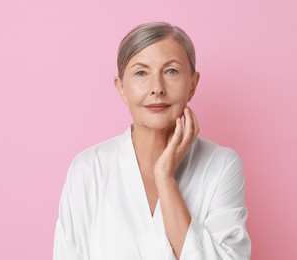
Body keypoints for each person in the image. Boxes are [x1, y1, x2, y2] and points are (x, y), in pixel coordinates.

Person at [53, 22, 251, 260]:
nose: (157, 88)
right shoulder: (88, 169)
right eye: (141, 73)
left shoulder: (221, 165)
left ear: (193, 85)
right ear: (122, 88)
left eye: (171, 71)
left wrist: (165, 178)